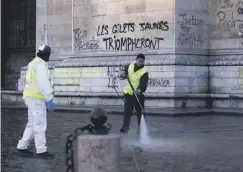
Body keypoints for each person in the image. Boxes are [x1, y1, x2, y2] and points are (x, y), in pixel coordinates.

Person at [16, 45, 55, 159]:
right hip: (37, 99)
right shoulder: (41, 65)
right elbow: (43, 83)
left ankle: (22, 145)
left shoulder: (33, 63)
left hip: (30, 97)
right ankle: (41, 150)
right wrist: (49, 98)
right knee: (39, 124)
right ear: (46, 54)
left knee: (32, 123)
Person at [119, 53, 149, 134]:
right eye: (139, 61)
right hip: (128, 94)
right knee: (127, 111)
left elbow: (144, 85)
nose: (140, 63)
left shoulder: (144, 72)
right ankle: (125, 127)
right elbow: (124, 71)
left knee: (140, 112)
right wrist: (123, 74)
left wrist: (139, 90)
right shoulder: (130, 65)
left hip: (138, 95)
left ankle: (141, 129)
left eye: (142, 62)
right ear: (136, 60)